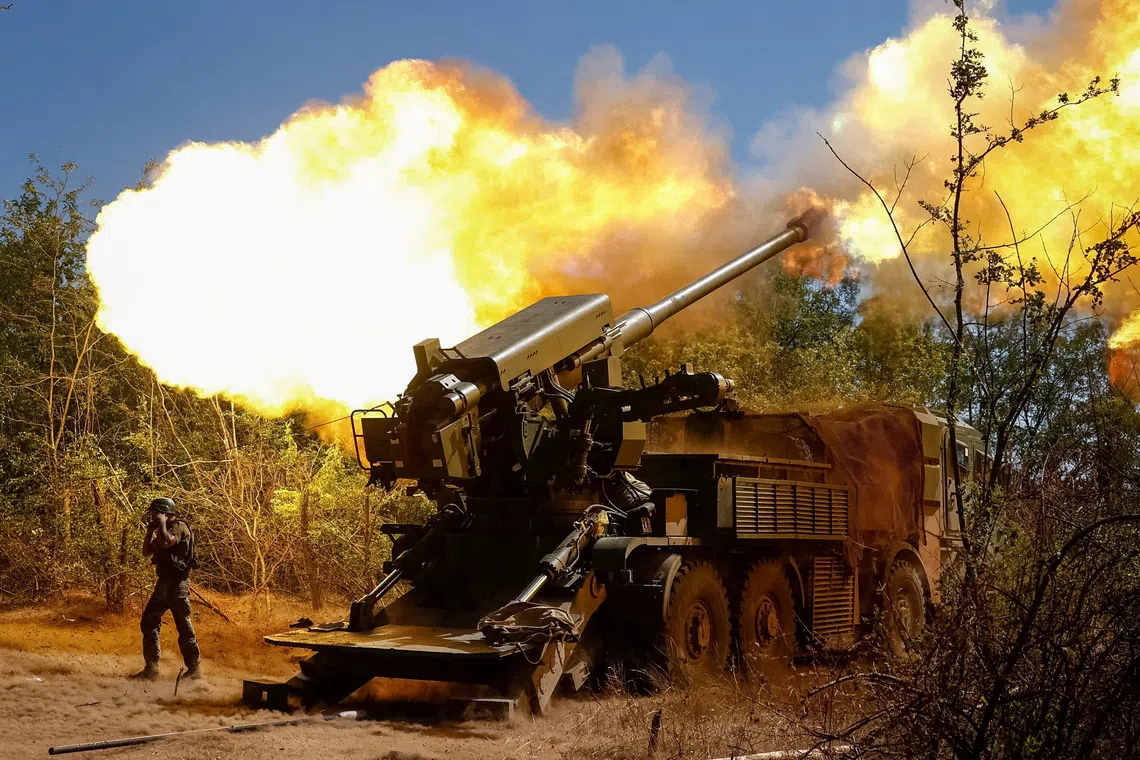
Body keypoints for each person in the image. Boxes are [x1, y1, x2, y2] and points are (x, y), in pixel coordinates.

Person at [130, 497, 201, 681]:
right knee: (149, 621)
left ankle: (194, 670)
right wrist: (149, 531)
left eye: (156, 514)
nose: (153, 517)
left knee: (183, 626)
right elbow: (146, 551)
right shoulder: (163, 530)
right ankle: (151, 668)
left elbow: (168, 542)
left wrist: (161, 524)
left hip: (178, 586)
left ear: (165, 513)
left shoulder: (179, 527)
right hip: (163, 585)